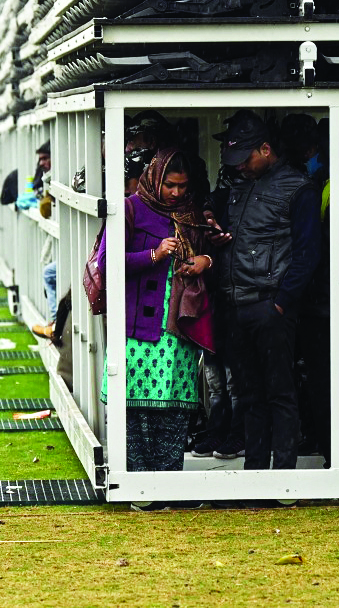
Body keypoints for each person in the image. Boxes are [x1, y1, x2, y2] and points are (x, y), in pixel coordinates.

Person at [207, 110, 320, 470]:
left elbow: (308, 253)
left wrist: (282, 304)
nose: (239, 166)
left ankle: (283, 473)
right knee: (248, 394)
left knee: (280, 393)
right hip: (237, 306)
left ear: (266, 149)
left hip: (270, 307)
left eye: (245, 158)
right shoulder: (235, 188)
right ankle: (255, 471)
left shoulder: (299, 189)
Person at [99, 148, 216, 478]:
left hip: (177, 330)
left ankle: (169, 481)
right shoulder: (129, 209)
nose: (176, 193)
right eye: (170, 185)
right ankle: (138, 483)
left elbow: (207, 254)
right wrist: (153, 254)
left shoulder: (191, 213)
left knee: (174, 411)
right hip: (138, 330)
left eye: (182, 186)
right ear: (154, 179)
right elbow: (107, 263)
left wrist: (207, 259)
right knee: (134, 409)